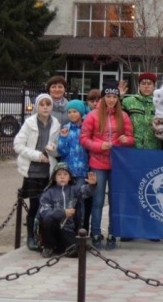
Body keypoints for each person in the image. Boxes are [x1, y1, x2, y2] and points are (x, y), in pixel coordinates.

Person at [80, 81, 134, 251]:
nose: (111, 100)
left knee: (115, 200)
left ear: (118, 99)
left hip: (117, 164)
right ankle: (96, 233)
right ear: (103, 98)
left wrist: (127, 140)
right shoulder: (93, 116)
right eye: (108, 96)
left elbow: (131, 137)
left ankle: (112, 233)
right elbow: (83, 138)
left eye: (114, 97)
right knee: (98, 201)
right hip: (98, 163)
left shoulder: (123, 116)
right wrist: (98, 146)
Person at [13, 93, 61, 250]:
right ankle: (31, 236)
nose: (45, 107)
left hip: (49, 170)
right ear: (37, 106)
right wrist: (37, 156)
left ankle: (43, 236)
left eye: (48, 104)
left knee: (46, 206)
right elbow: (18, 145)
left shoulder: (56, 124)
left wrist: (53, 150)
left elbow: (58, 148)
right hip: (33, 170)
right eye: (42, 104)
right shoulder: (30, 123)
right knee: (34, 205)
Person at [38, 162, 96, 258]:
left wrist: (92, 185)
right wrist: (63, 213)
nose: (62, 177)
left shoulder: (73, 190)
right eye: (59, 174)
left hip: (68, 229)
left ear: (69, 177)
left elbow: (86, 192)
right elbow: (45, 213)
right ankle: (48, 247)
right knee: (47, 220)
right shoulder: (48, 193)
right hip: (53, 229)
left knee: (76, 253)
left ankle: (60, 248)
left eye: (65, 174)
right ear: (54, 177)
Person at [55, 99, 91, 231]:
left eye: (75, 111)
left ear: (80, 112)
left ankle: (80, 228)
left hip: (82, 171)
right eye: (69, 112)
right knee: (67, 200)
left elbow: (89, 149)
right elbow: (61, 151)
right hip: (68, 171)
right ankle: (67, 228)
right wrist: (63, 139)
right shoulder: (65, 128)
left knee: (80, 200)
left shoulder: (86, 128)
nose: (71, 114)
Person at [120, 72, 161, 150]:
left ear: (154, 86)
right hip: (134, 148)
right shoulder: (128, 102)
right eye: (143, 83)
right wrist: (119, 97)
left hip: (154, 149)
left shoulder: (160, 104)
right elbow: (115, 116)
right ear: (139, 86)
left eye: (149, 84)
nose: (146, 86)